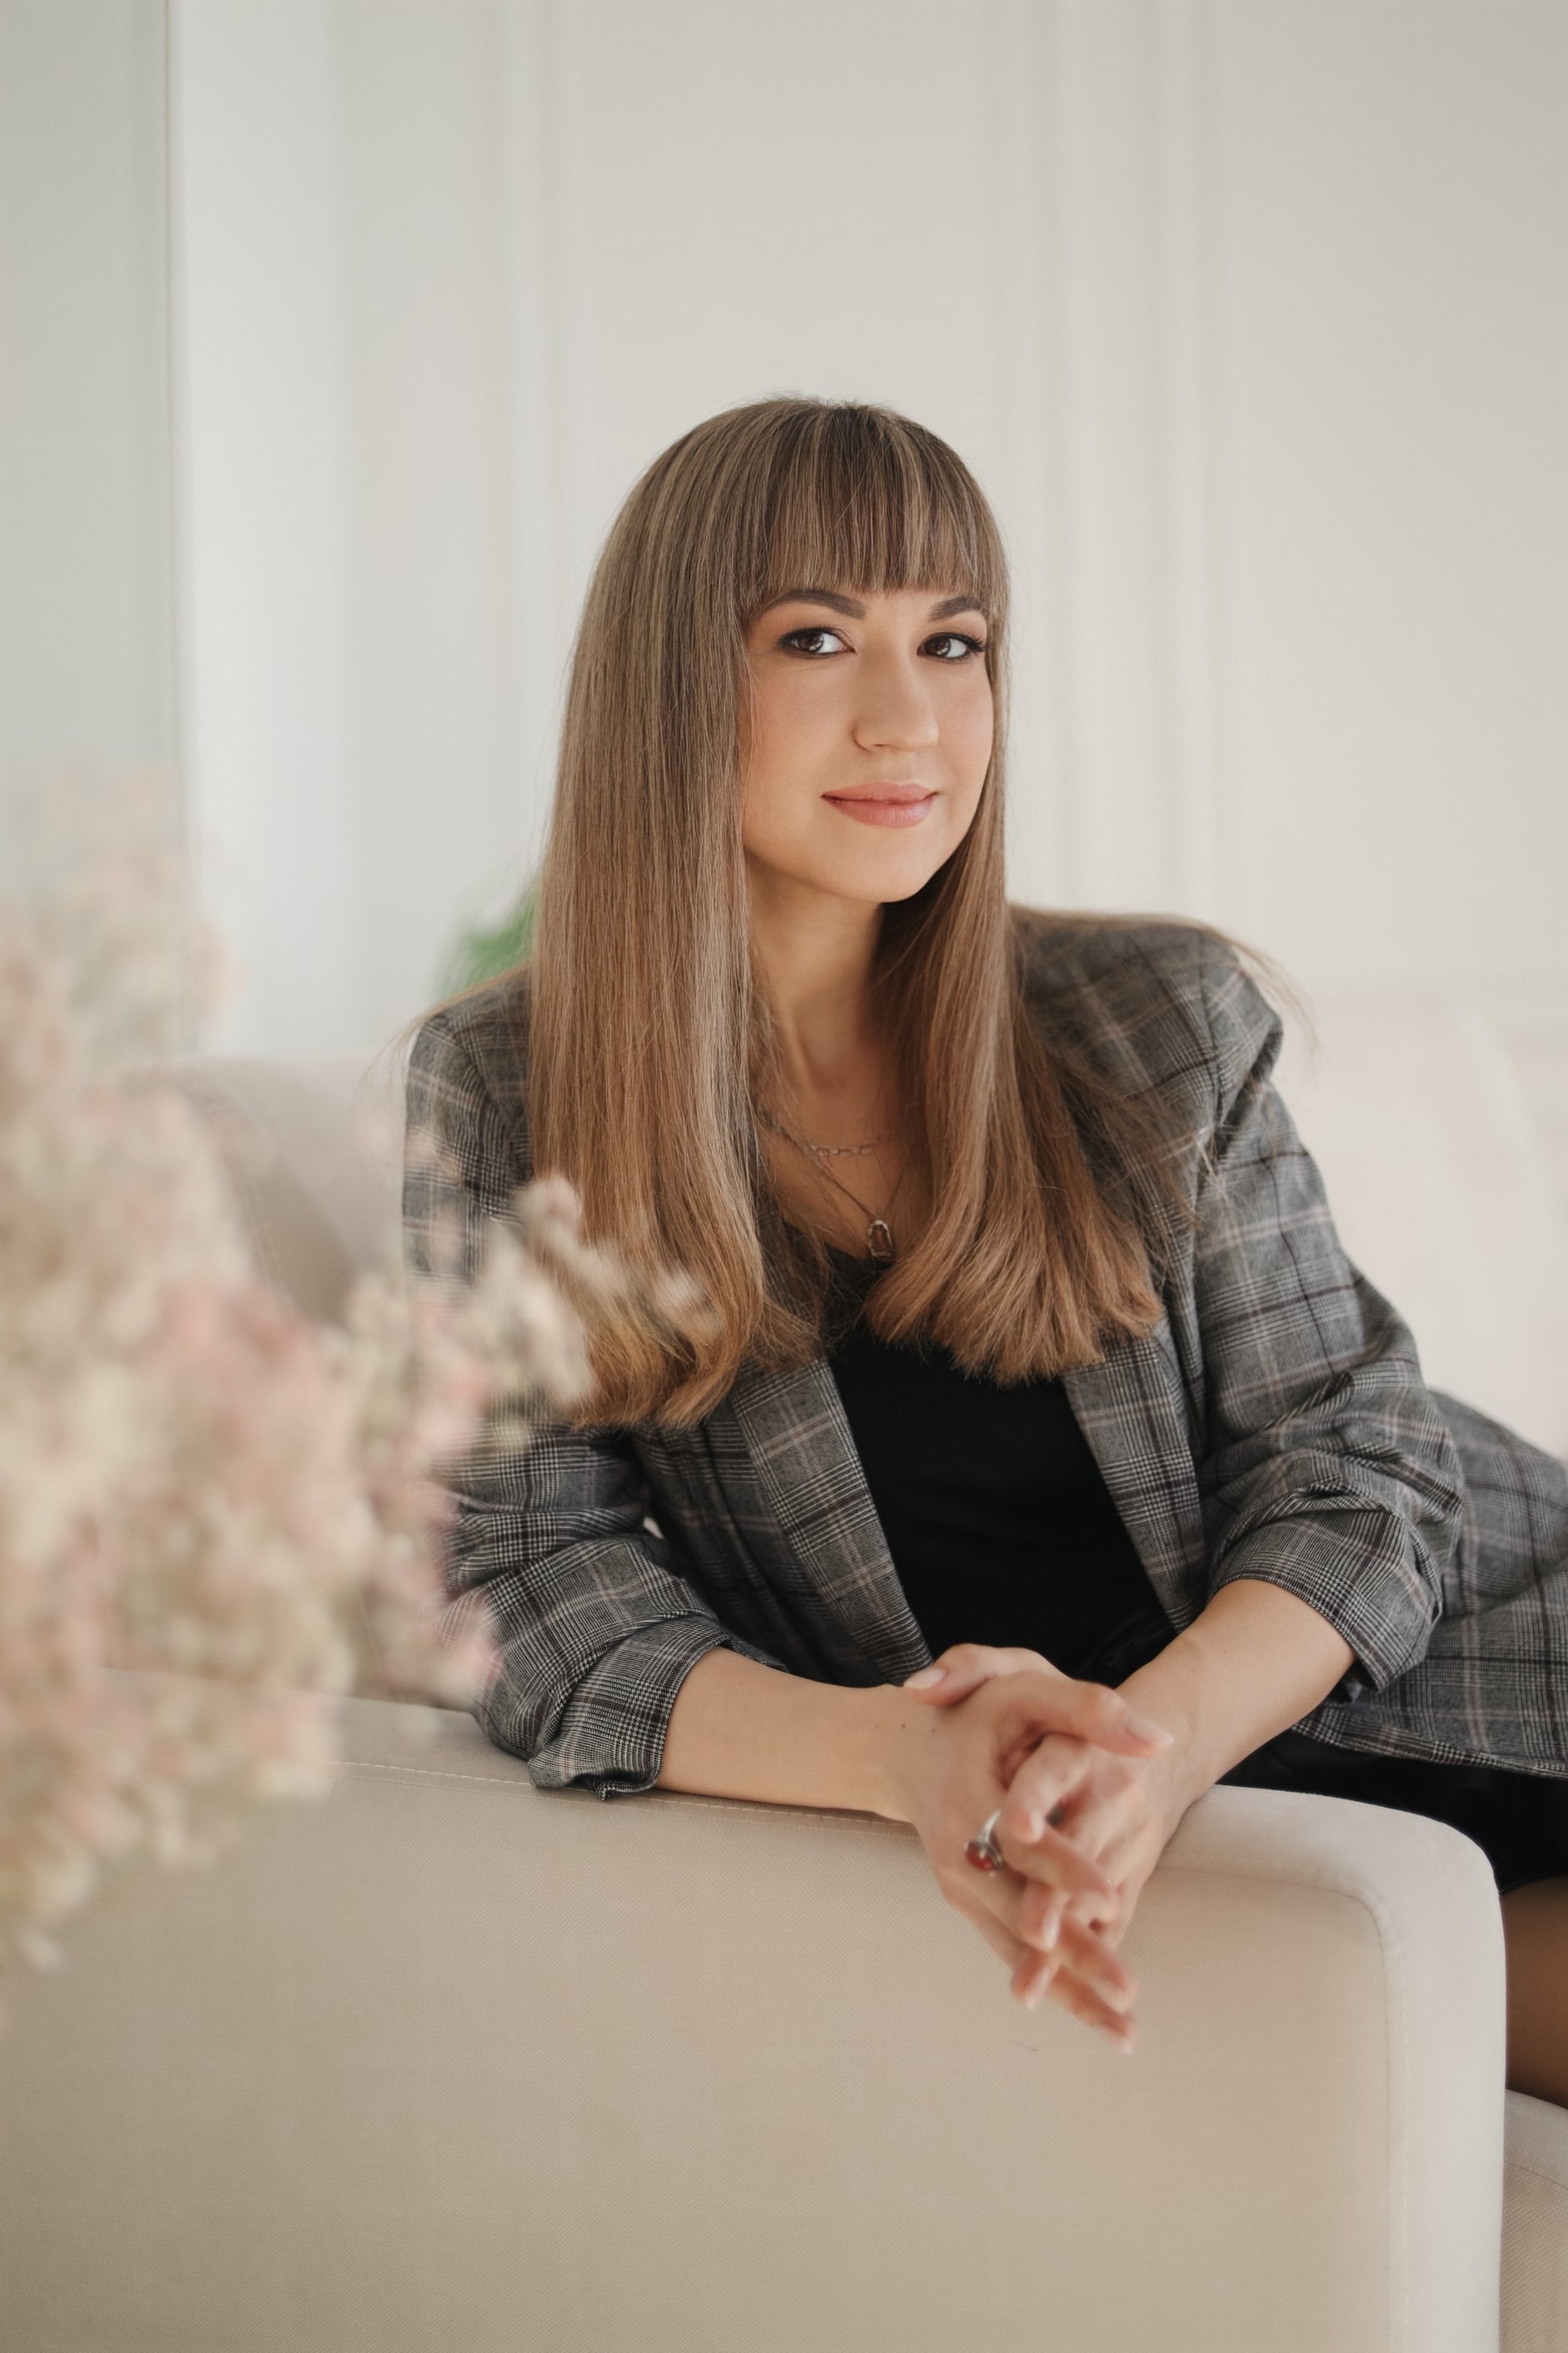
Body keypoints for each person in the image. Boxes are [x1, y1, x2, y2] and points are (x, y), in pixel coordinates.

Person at [403, 394, 1568, 2100]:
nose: (909, 718)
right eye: (816, 638)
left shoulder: (1155, 1019)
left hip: (1459, 1666)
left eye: (952, 642)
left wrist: (1153, 1745)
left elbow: (1356, 1459)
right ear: (670, 685)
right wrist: (901, 1753)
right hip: (1236, 1841)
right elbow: (524, 1581)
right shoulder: (508, 1091)